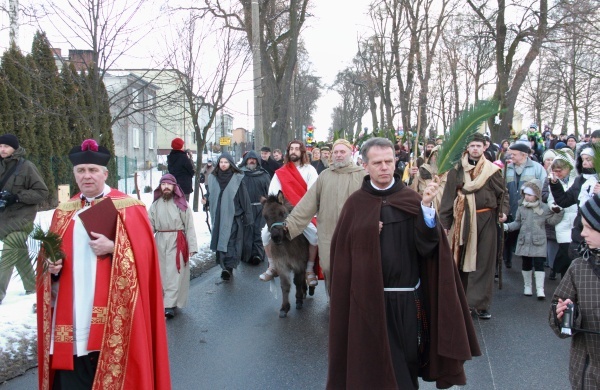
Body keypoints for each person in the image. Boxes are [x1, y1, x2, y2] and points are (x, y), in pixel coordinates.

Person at [327, 137, 480, 389]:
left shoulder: (411, 198)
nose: (385, 167)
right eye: (377, 163)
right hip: (368, 300)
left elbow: (428, 247)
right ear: (365, 165)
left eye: (389, 161)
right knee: (373, 365)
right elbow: (342, 253)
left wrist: (427, 208)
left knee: (407, 362)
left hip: (408, 299)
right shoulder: (355, 205)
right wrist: (365, 231)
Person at [38, 139, 171, 389]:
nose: (87, 176)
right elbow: (49, 259)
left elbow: (146, 258)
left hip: (114, 310)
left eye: (93, 170)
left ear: (105, 173)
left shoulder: (129, 207)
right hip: (73, 310)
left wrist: (114, 248)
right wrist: (51, 269)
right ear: (75, 174)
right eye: (81, 171)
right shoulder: (64, 212)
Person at [439, 133, 508, 320]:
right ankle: (464, 302)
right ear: (467, 148)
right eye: (472, 146)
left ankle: (480, 304)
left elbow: (503, 194)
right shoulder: (457, 171)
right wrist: (445, 223)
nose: (475, 149)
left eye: (478, 145)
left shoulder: (492, 170)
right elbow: (447, 199)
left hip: (486, 220)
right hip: (462, 220)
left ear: (484, 147)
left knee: (484, 261)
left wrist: (504, 212)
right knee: (462, 262)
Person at [283, 139, 365, 292]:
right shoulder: (324, 176)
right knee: (328, 267)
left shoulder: (363, 175)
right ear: (331, 155)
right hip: (328, 232)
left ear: (350, 154)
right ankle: (334, 302)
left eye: (342, 152)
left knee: (353, 268)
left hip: (355, 233)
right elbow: (308, 203)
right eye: (336, 152)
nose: (339, 155)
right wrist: (290, 224)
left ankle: (351, 306)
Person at [549, 193, 600, 390]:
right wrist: (565, 315)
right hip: (586, 375)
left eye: (589, 227)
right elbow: (557, 316)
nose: (583, 233)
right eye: (582, 226)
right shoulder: (579, 268)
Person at [259, 140, 319, 286]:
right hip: (283, 214)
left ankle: (309, 270)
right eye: (291, 149)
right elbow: (273, 194)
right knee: (265, 234)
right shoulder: (281, 172)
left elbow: (312, 194)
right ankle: (272, 266)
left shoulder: (310, 170)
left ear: (302, 152)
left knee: (314, 236)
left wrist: (300, 214)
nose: (294, 151)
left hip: (304, 214)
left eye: (297, 149)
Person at [0, 134, 49, 304]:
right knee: (18, 250)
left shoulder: (26, 167)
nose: (2, 149)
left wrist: (17, 197)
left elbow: (42, 193)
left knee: (10, 247)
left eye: (6, 146)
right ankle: (32, 285)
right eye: (0, 146)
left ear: (15, 148)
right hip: (3, 220)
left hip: (23, 219)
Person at [149, 174, 198, 319]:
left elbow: (189, 226)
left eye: (168, 184)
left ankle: (169, 305)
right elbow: (149, 225)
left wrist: (193, 246)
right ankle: (164, 301)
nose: (165, 187)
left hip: (177, 241)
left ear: (174, 187)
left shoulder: (181, 205)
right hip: (160, 241)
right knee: (161, 272)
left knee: (174, 272)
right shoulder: (155, 205)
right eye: (163, 184)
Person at [504, 179, 563, 299]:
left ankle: (540, 289)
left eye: (530, 195)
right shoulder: (521, 207)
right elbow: (517, 223)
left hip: (539, 241)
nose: (527, 197)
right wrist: (507, 227)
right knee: (526, 263)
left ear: (536, 195)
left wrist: (559, 212)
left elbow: (551, 221)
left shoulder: (545, 208)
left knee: (539, 264)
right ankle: (527, 286)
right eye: (525, 194)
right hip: (524, 240)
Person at [202, 152, 253, 280]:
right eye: (221, 162)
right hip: (218, 216)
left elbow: (244, 198)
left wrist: (248, 216)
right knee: (221, 240)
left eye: (226, 162)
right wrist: (206, 199)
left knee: (231, 241)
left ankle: (228, 268)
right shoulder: (213, 178)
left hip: (234, 216)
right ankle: (224, 265)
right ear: (218, 164)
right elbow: (210, 193)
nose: (223, 165)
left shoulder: (237, 179)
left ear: (230, 164)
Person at [504, 141, 547, 269]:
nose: (511, 157)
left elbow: (543, 187)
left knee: (528, 236)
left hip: (530, 210)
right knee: (509, 237)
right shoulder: (507, 168)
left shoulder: (537, 168)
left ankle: (530, 263)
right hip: (511, 209)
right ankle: (507, 259)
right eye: (510, 154)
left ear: (524, 155)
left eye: (514, 154)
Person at [543, 153, 577, 280]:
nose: (558, 173)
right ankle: (564, 278)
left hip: (576, 221)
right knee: (566, 250)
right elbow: (551, 199)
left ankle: (560, 271)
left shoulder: (576, 181)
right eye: (555, 171)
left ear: (569, 168)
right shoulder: (553, 181)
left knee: (573, 253)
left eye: (560, 170)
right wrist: (553, 206)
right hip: (562, 221)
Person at [239, 151, 270, 265]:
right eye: (249, 159)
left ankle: (257, 254)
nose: (251, 161)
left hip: (261, 208)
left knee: (259, 231)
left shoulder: (264, 175)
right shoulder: (240, 175)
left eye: (254, 159)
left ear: (257, 161)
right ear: (246, 160)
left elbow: (269, 192)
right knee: (247, 231)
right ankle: (246, 255)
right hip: (245, 208)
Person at [409, 145, 447, 209]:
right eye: (435, 155)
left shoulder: (449, 174)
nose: (437, 158)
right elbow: (412, 190)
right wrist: (412, 177)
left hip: (443, 213)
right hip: (425, 209)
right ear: (431, 157)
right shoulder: (422, 171)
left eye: (441, 155)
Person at [167, 137, 195, 201]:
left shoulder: (170, 157)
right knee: (184, 206)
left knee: (175, 207)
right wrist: (189, 159)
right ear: (180, 146)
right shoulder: (184, 157)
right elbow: (192, 171)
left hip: (174, 186)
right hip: (184, 187)